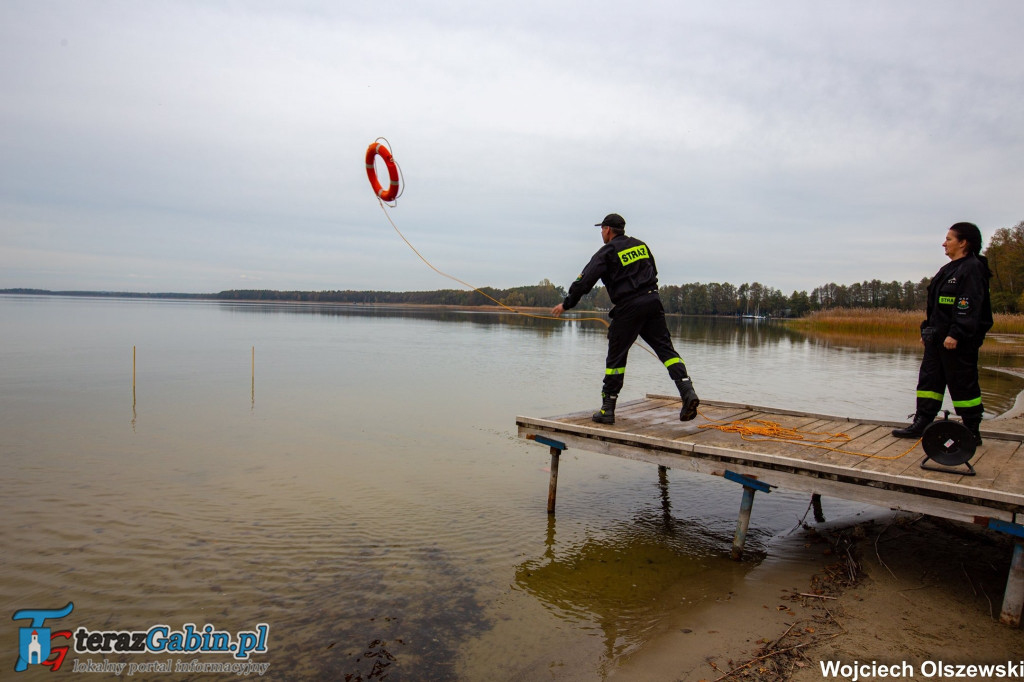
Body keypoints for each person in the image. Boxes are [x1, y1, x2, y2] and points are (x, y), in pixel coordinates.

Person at [551, 213, 699, 424]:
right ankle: (687, 391)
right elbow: (654, 271)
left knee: (616, 358)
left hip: (629, 307)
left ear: (608, 230)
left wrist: (567, 304)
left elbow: (585, 281)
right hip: (652, 300)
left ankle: (607, 409)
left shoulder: (607, 252)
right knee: (666, 350)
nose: (601, 233)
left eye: (602, 229)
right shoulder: (641, 246)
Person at [892, 222, 993, 444]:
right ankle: (922, 422)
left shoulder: (972, 268)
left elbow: (968, 305)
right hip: (937, 340)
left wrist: (956, 333)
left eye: (949, 239)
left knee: (963, 384)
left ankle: (971, 430)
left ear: (963, 242)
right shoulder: (948, 270)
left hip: (958, 342)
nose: (944, 243)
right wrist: (927, 331)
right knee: (929, 382)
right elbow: (937, 308)